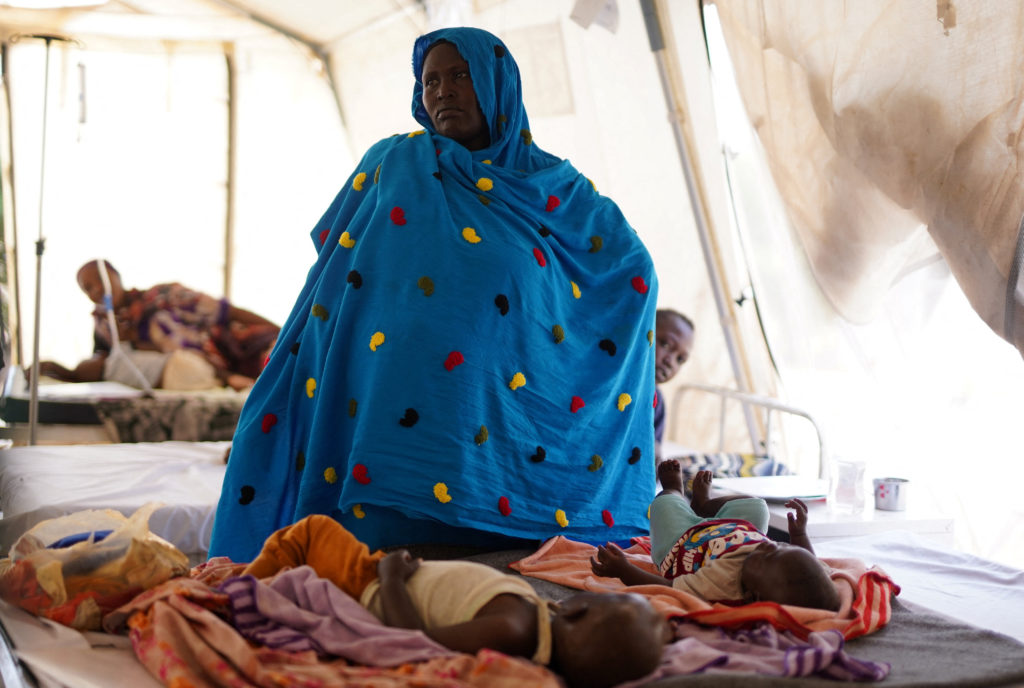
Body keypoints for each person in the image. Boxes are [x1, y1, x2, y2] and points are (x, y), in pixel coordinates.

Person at [210, 27, 657, 560]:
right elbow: (335, 267)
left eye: (460, 76)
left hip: (499, 422)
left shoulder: (557, 190)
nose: (443, 91)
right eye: (431, 80)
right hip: (385, 407)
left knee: (491, 557)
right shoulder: (393, 164)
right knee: (383, 555)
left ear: (498, 85)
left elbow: (632, 272)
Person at [242, 514, 670, 688]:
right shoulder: (530, 626)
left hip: (371, 583)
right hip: (395, 575)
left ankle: (234, 593)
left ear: (577, 608)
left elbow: (412, 640)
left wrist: (391, 578)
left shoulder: (514, 627)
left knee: (311, 532)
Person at [590, 459, 841, 611]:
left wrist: (623, 570)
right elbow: (812, 561)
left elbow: (668, 588)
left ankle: (674, 491)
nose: (768, 547)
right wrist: (798, 535)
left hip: (680, 544)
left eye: (767, 557)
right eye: (781, 547)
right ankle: (704, 505)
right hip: (730, 529)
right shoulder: (798, 572)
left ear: (755, 595)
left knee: (663, 507)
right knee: (757, 506)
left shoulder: (725, 582)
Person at [39, 260, 280, 391]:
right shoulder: (106, 328)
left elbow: (228, 312)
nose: (98, 290)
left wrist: (285, 330)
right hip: (213, 372)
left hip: (238, 344)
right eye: (88, 288)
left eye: (101, 280)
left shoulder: (165, 296)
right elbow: (105, 365)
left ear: (117, 275)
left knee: (280, 360)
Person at [653, 308, 695, 465]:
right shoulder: (614, 385)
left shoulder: (657, 401)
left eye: (680, 359)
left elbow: (654, 450)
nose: (670, 361)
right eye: (665, 344)